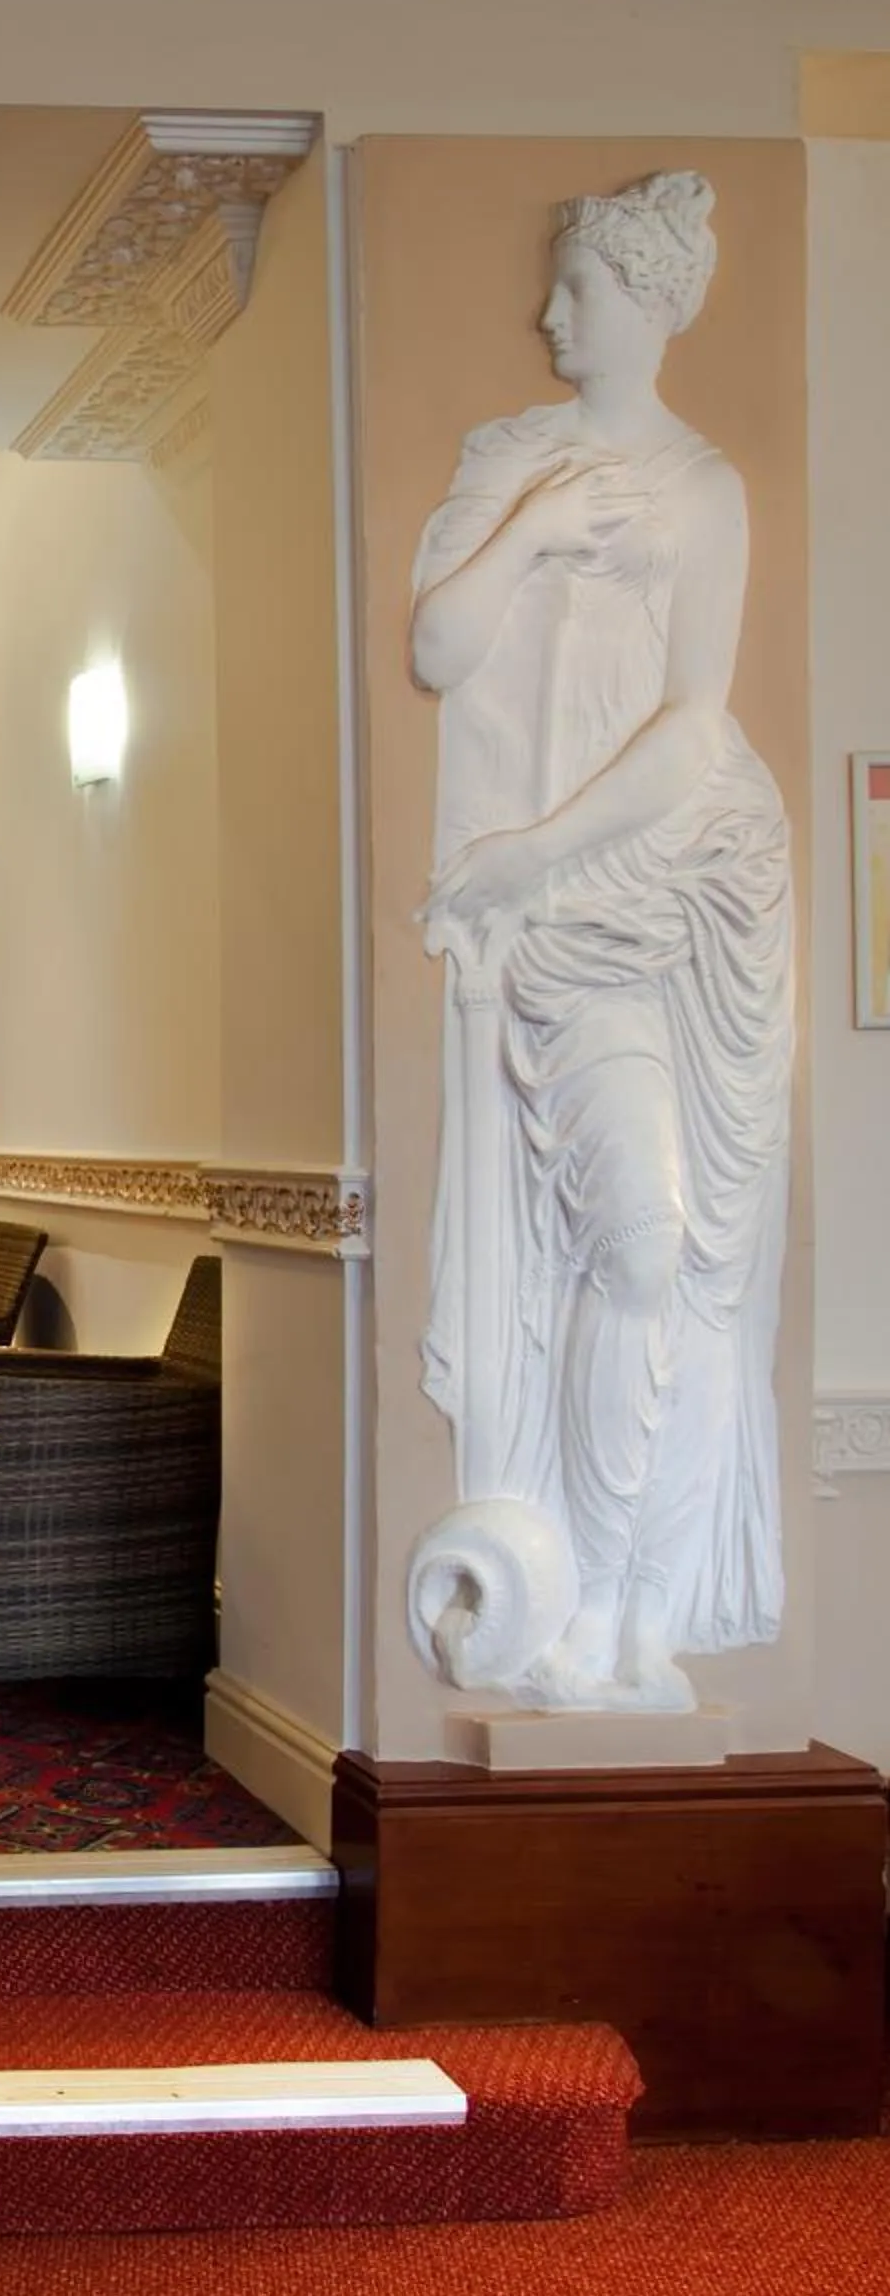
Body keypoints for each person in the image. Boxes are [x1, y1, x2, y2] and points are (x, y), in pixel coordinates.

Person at [406, 171, 791, 1712]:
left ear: (648, 300)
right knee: (632, 1243)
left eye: (577, 289)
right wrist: (532, 526)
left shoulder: (708, 491)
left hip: (692, 889)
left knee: (694, 1269)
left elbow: (697, 723)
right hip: (561, 931)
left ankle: (642, 1615)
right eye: (553, 285)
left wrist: (525, 854)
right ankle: (583, 1594)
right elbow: (438, 643)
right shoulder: (510, 454)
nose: (546, 313)